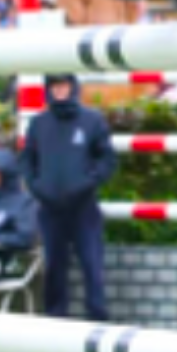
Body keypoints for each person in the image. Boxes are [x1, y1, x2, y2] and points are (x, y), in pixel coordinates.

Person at [19, 74, 117, 320]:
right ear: (48, 90)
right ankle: (55, 317)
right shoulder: (38, 124)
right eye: (54, 86)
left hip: (84, 207)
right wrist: (37, 187)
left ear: (73, 88)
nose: (59, 91)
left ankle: (97, 317)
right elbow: (27, 159)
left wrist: (87, 182)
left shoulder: (92, 121)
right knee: (54, 265)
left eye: (63, 85)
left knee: (91, 264)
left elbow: (107, 159)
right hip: (50, 208)